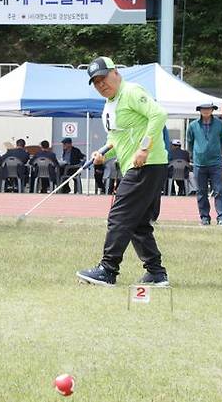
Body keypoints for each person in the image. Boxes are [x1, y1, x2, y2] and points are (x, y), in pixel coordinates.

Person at [77, 56, 169, 287]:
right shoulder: (110, 104)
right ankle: (156, 273)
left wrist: (144, 148)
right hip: (138, 164)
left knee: (119, 216)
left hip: (146, 164)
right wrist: (102, 154)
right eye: (96, 82)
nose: (101, 85)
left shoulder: (131, 92)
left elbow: (158, 114)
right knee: (137, 223)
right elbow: (115, 140)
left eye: (103, 78)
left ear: (115, 72)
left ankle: (108, 269)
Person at [186, 102, 222, 226]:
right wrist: (196, 155)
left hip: (215, 162)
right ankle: (204, 217)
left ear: (212, 110)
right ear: (199, 111)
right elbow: (190, 142)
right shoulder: (193, 125)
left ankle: (221, 218)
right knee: (201, 192)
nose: (206, 111)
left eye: (208, 109)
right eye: (203, 109)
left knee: (219, 190)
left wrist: (215, 151)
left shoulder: (220, 124)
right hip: (199, 163)